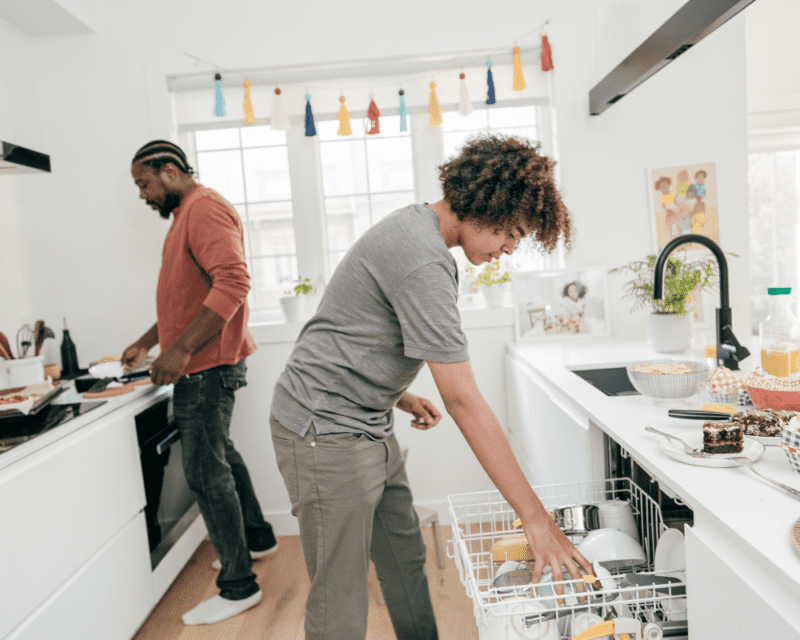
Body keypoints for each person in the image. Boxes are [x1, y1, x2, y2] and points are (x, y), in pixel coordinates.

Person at [270, 133, 594, 640]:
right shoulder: (423, 259)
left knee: (403, 554)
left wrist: (396, 394)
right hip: (323, 430)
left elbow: (352, 325)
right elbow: (463, 400)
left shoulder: (417, 231)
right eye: (510, 232)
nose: (510, 247)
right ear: (484, 207)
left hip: (366, 420)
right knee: (341, 596)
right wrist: (536, 520)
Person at [123, 140, 276, 626]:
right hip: (204, 361)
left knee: (206, 473)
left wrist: (182, 349)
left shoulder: (204, 208)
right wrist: (149, 340)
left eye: (144, 183)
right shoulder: (186, 214)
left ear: (170, 171)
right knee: (221, 455)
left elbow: (232, 282)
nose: (143, 195)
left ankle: (238, 586)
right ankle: (256, 538)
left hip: (206, 366)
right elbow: (187, 295)